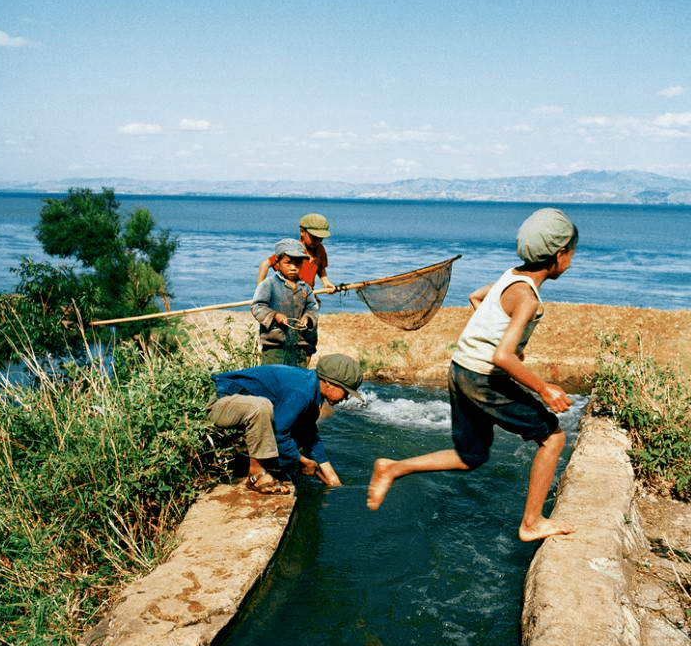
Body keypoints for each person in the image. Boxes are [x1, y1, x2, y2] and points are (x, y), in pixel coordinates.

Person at [367, 208, 580, 542]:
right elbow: (503, 356)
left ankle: (393, 467)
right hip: (483, 379)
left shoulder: (512, 276)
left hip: (460, 369)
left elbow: (477, 298)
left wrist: (497, 336)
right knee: (553, 438)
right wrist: (544, 388)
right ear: (559, 254)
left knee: (472, 456)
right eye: (571, 253)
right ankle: (532, 523)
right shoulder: (526, 296)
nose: (571, 260)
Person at [210, 354, 364, 491]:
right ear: (329, 383)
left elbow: (310, 434)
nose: (345, 399)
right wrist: (301, 460)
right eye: (346, 392)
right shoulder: (301, 392)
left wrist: (331, 476)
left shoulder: (311, 388)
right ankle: (256, 474)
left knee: (301, 426)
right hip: (219, 403)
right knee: (262, 407)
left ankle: (273, 464)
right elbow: (279, 432)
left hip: (241, 409)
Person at [252, 239, 319, 367]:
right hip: (275, 348)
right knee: (273, 381)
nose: (293, 268)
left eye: (298, 263)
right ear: (278, 263)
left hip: (299, 346)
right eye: (288, 263)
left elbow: (313, 307)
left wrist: (308, 317)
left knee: (296, 381)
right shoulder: (269, 284)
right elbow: (257, 306)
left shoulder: (305, 287)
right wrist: (275, 315)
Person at [257, 213, 337, 293]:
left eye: (321, 238)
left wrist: (326, 282)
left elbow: (320, 268)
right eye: (314, 237)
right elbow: (264, 265)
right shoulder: (292, 249)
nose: (318, 241)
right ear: (302, 232)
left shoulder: (320, 249)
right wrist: (261, 289)